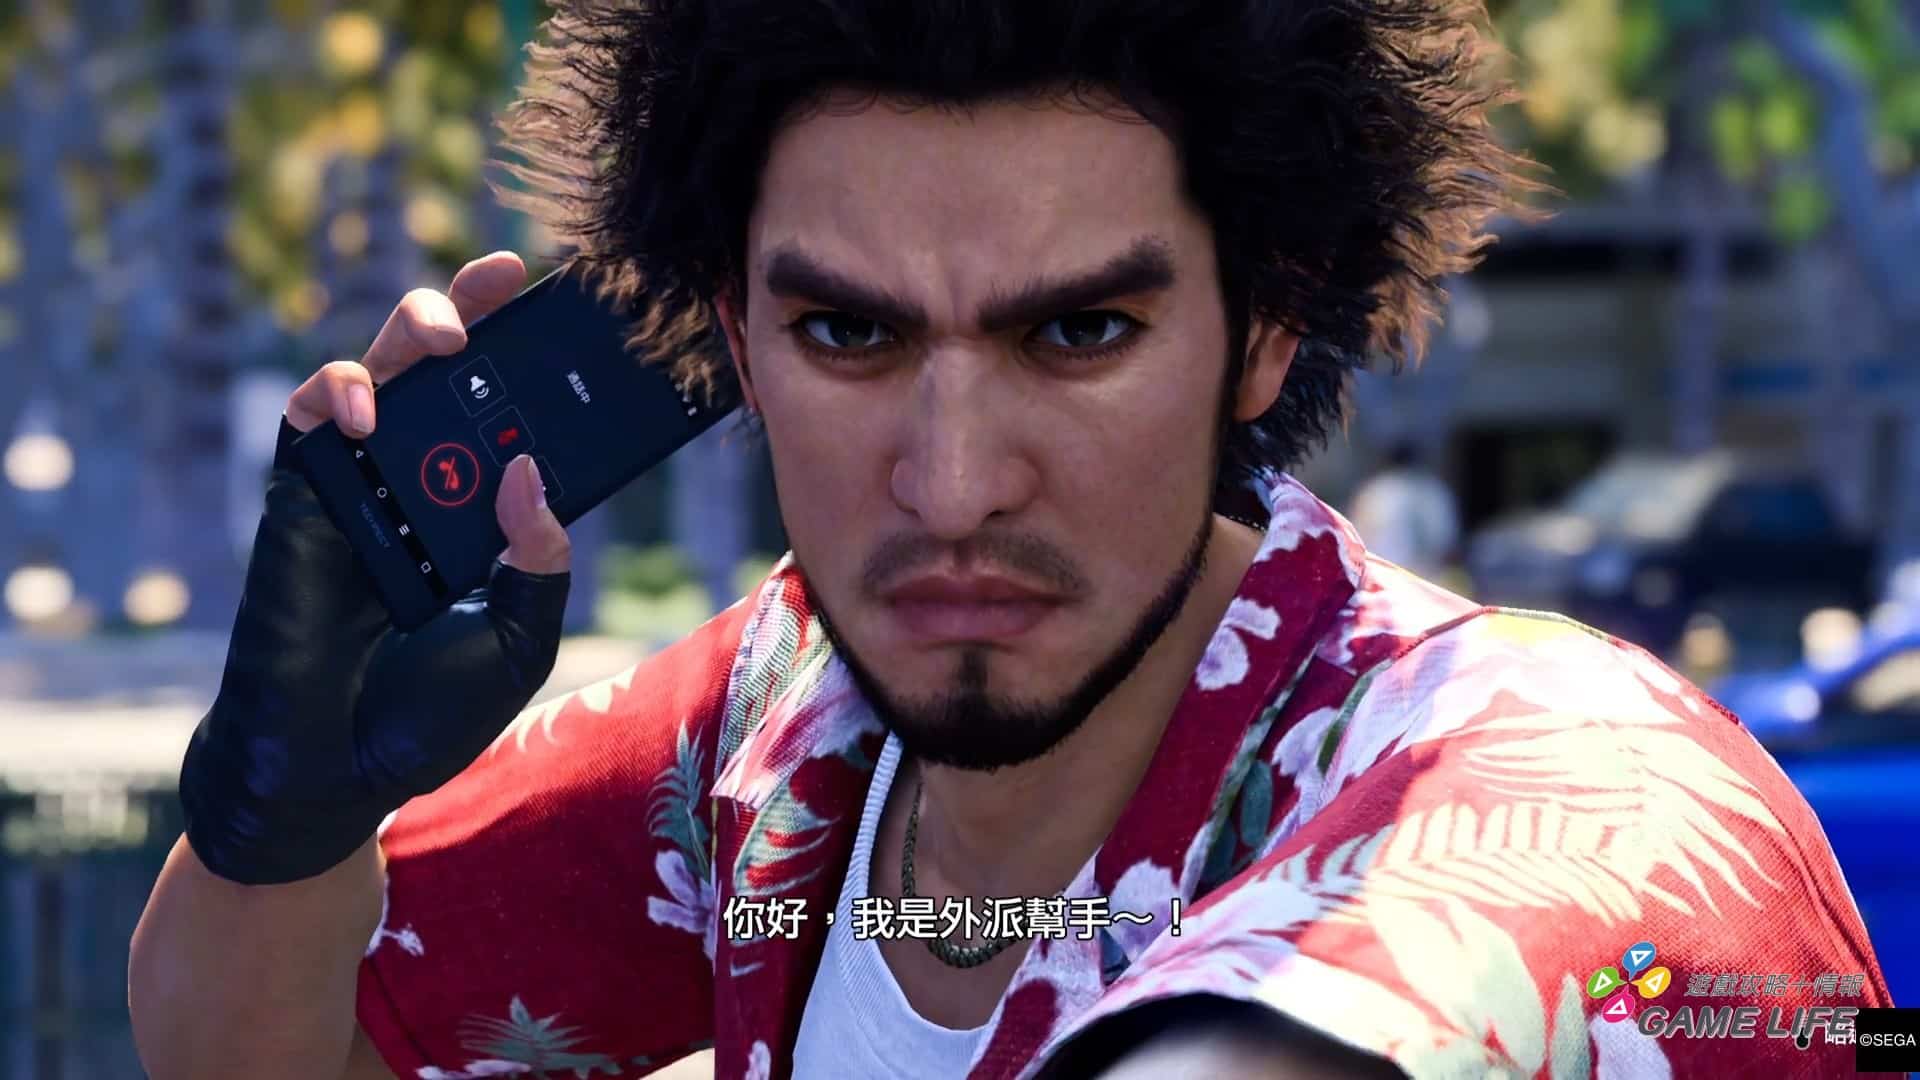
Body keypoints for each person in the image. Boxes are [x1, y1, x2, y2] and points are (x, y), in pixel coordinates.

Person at [128, 2, 1890, 1078]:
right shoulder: (779, 718)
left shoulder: (1520, 753)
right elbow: (266, 1050)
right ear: (733, 337)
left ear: (1266, 330)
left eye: (1078, 333)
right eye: (850, 333)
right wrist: (283, 812)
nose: (954, 482)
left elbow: (1617, 899)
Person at [1346, 440, 1461, 581]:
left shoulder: (1374, 491)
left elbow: (1358, 538)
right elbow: (1447, 541)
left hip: (1386, 576)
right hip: (1426, 578)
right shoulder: (1434, 490)